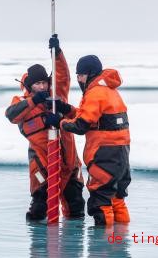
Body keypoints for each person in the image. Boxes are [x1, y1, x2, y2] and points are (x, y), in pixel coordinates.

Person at [5, 35, 85, 221]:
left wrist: (57, 53)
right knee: (38, 208)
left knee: (76, 208)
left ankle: (72, 246)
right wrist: (35, 101)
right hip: (41, 161)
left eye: (44, 82)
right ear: (30, 86)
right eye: (37, 84)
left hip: (68, 160)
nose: (42, 86)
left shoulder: (58, 96)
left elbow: (63, 75)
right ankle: (39, 245)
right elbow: (11, 115)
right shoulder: (22, 103)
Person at [60, 55, 131, 226]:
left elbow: (81, 125)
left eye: (81, 75)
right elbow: (93, 117)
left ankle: (103, 248)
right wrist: (68, 110)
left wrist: (60, 122)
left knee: (101, 202)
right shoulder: (110, 90)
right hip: (121, 152)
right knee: (117, 199)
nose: (78, 79)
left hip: (103, 153)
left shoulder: (95, 93)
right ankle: (121, 241)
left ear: (89, 74)